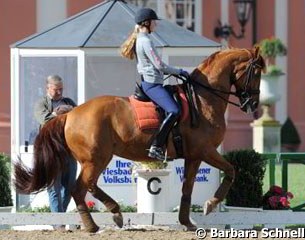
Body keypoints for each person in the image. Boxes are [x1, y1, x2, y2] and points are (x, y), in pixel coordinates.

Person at [120, 8, 190, 161]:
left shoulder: (142, 39)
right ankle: (156, 146)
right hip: (152, 85)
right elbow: (160, 66)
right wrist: (180, 71)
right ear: (147, 23)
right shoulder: (145, 41)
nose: (156, 24)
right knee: (174, 110)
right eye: (154, 22)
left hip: (153, 83)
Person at [34, 75, 77, 230]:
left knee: (70, 186)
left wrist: (69, 110)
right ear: (47, 88)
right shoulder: (41, 103)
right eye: (55, 89)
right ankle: (58, 223)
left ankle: (60, 217)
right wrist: (57, 114)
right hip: (51, 151)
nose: (59, 92)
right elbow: (45, 120)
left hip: (69, 150)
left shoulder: (69, 102)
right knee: (54, 188)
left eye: (61, 89)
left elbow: (79, 118)